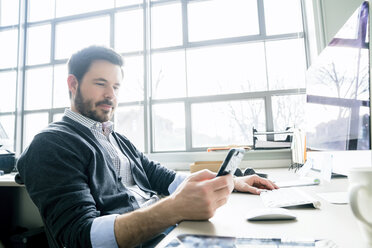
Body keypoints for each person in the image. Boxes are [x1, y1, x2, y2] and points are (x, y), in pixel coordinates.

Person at [17, 46, 278, 248]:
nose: (111, 95)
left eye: (116, 86)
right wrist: (174, 208)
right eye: (100, 84)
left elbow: (165, 178)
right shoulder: (51, 144)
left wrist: (229, 182)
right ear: (73, 84)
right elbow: (79, 238)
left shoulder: (116, 138)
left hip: (168, 234)